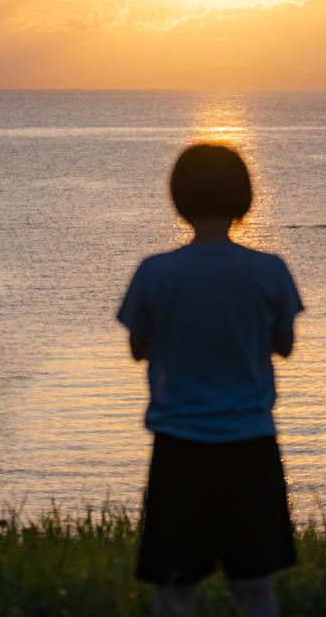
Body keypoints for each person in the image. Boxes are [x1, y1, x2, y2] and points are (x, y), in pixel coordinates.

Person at [117, 143, 305, 617]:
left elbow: (138, 348)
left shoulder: (154, 272)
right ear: (246, 198)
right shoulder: (270, 271)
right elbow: (284, 345)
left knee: (174, 587)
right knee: (255, 586)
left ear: (177, 198)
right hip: (250, 447)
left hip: (179, 449)